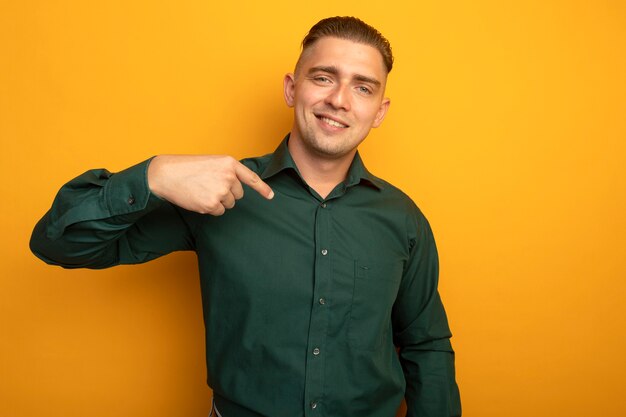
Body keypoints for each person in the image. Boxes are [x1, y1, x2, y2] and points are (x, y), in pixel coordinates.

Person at [30, 16, 461, 417]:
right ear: (292, 89)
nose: (339, 100)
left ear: (379, 111)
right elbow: (57, 243)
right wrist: (153, 176)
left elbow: (426, 346)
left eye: (363, 87)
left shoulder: (402, 218)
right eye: (323, 77)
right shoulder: (215, 191)